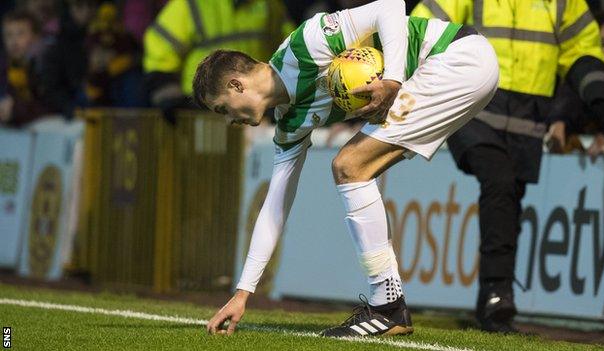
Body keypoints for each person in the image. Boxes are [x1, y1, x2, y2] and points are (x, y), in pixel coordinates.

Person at [193, 0, 499, 337]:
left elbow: (390, 6)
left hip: (457, 58)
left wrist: (393, 81)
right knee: (353, 167)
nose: (230, 121)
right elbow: (276, 204)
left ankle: (388, 307)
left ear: (236, 85)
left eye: (223, 109)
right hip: (459, 70)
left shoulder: (307, 44)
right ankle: (389, 306)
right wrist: (243, 292)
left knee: (349, 164)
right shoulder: (290, 122)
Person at [412, 0, 604, 333]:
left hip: (528, 118)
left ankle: (492, 300)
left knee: (508, 200)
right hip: (473, 106)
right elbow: (423, 26)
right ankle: (498, 296)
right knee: (500, 182)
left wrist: (598, 90)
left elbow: (581, 46)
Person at [143, 0, 293, 116]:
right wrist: (170, 96)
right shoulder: (191, 4)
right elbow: (160, 48)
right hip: (202, 112)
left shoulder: (270, 5)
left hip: (256, 110)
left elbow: (292, 50)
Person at [548, 14, 604, 155]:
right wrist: (558, 121)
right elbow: (566, 101)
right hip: (586, 148)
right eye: (596, 44)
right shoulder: (579, 76)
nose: (601, 51)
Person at [0, 10, 53, 127]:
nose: (14, 42)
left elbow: (49, 107)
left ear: (35, 37)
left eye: (20, 34)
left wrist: (15, 110)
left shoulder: (46, 67)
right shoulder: (3, 67)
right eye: (9, 35)